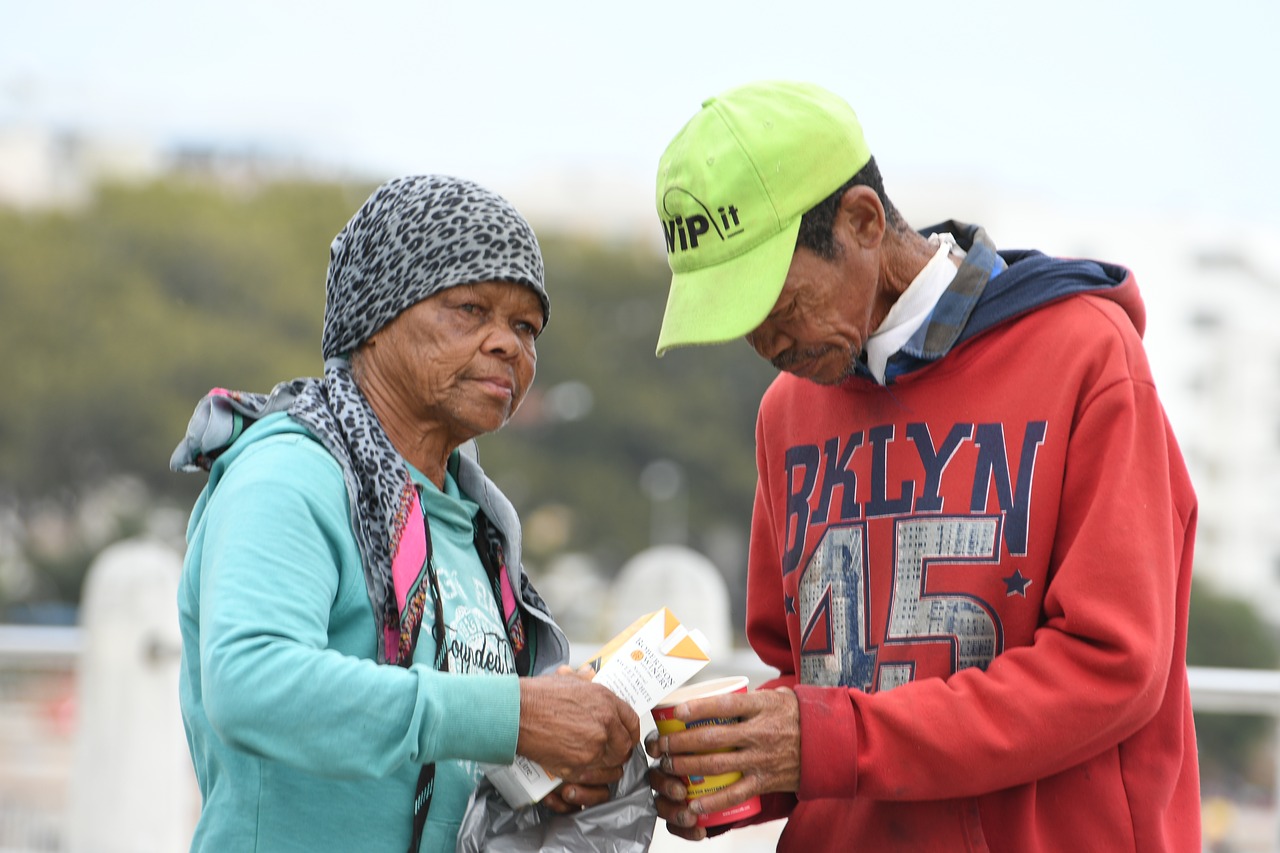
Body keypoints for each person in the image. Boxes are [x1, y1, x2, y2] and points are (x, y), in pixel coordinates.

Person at [644, 81, 1199, 851]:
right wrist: (741, 758)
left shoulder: (1087, 355)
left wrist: (829, 739)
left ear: (864, 222)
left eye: (774, 301)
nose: (765, 343)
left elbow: (1111, 665)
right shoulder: (786, 410)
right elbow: (811, 682)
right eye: (734, 320)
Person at [170, 175, 640, 853]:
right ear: (376, 310)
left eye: (525, 326)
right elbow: (251, 681)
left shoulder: (472, 523)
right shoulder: (289, 473)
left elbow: (445, 743)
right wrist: (513, 715)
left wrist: (535, 768)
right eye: (470, 308)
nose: (508, 344)